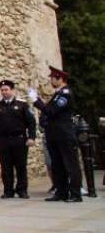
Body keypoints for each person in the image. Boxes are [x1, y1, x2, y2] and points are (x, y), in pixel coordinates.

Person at [29, 67, 82, 202]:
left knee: (70, 164)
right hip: (54, 134)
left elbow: (51, 111)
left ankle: (75, 193)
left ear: (60, 79)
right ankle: (61, 192)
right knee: (57, 165)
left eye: (53, 78)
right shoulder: (58, 93)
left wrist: (36, 101)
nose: (51, 81)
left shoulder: (65, 93)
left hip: (63, 133)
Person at [0, 80, 37, 199]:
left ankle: (22, 190)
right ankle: (8, 190)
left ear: (12, 90)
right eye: (2, 90)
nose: (4, 92)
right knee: (6, 166)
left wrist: (31, 137)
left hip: (19, 139)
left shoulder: (22, 105)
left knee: (21, 166)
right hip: (3, 140)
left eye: (6, 89)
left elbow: (31, 122)